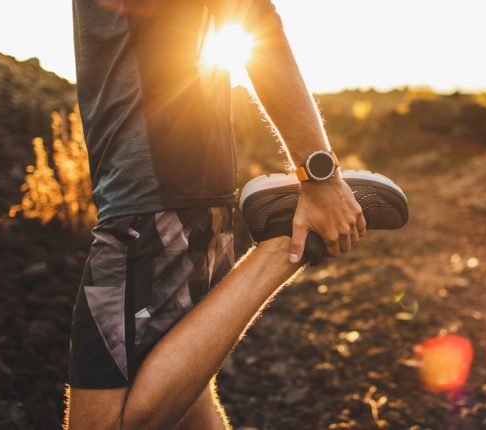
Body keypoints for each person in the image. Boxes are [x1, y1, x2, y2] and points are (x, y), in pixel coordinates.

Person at [65, 0, 408, 428]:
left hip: (153, 194)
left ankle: (286, 244)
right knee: (191, 409)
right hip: (167, 190)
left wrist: (318, 175)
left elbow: (251, 14)